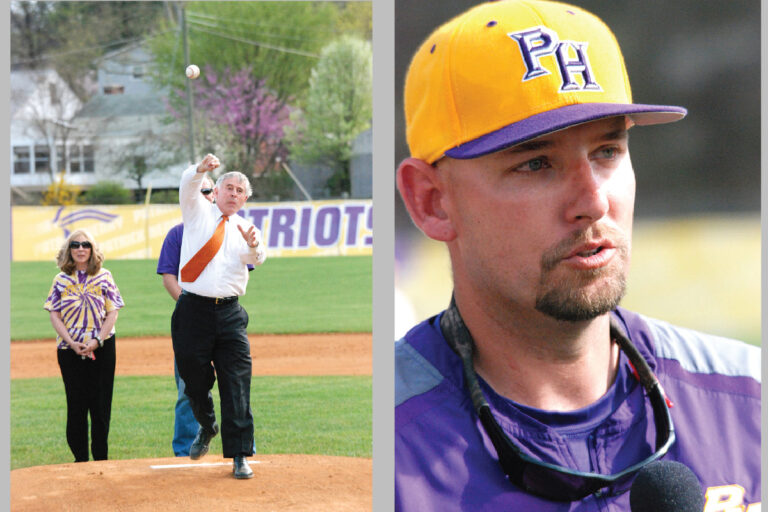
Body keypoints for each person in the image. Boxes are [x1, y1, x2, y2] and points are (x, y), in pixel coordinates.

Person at [394, 1, 760, 511]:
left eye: (607, 151)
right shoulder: (389, 452)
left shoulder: (750, 400)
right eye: (537, 163)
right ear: (432, 201)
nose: (592, 202)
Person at [171, 153, 266, 479]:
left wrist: (254, 247)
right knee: (192, 378)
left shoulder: (246, 228)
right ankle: (207, 423)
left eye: (240, 190)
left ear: (246, 197)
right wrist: (199, 169)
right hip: (192, 310)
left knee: (237, 383)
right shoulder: (197, 211)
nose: (234, 194)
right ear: (218, 190)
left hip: (229, 314)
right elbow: (187, 186)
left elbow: (256, 256)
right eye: (229, 187)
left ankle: (240, 455)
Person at [44, 229, 124, 463]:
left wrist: (96, 340)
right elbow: (54, 314)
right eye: (75, 245)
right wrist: (71, 342)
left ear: (92, 249)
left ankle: (101, 459)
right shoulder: (60, 280)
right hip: (69, 350)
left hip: (102, 347)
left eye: (85, 244)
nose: (80, 249)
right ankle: (80, 460)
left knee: (100, 405)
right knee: (76, 405)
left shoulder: (104, 276)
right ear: (69, 250)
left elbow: (112, 312)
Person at [157, 175, 214, 457]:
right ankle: (184, 449)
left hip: (223, 317)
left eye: (208, 190)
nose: (204, 195)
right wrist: (192, 307)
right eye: (198, 190)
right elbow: (169, 277)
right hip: (190, 321)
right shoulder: (177, 234)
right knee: (187, 388)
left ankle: (241, 447)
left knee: (233, 385)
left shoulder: (225, 232)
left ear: (214, 195)